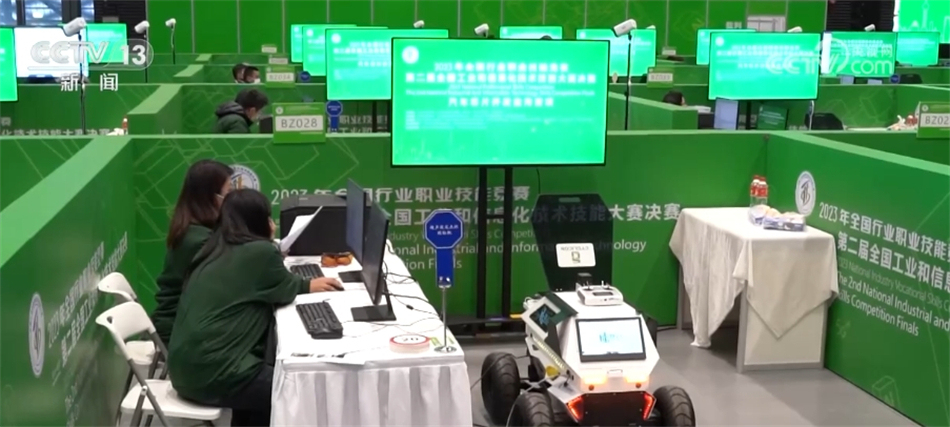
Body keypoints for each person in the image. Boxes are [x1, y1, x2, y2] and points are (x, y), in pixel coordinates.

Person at [168, 189, 343, 426]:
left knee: (264, 380)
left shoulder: (213, 248)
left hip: (184, 372)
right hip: (217, 375)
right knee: (300, 388)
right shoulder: (260, 252)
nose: (272, 223)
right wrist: (275, 249)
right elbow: (285, 288)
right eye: (268, 218)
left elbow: (271, 281)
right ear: (258, 221)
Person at [151, 160, 233, 347]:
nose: (232, 198)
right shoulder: (200, 241)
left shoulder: (196, 229)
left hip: (188, 322)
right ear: (210, 197)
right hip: (181, 331)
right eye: (228, 192)